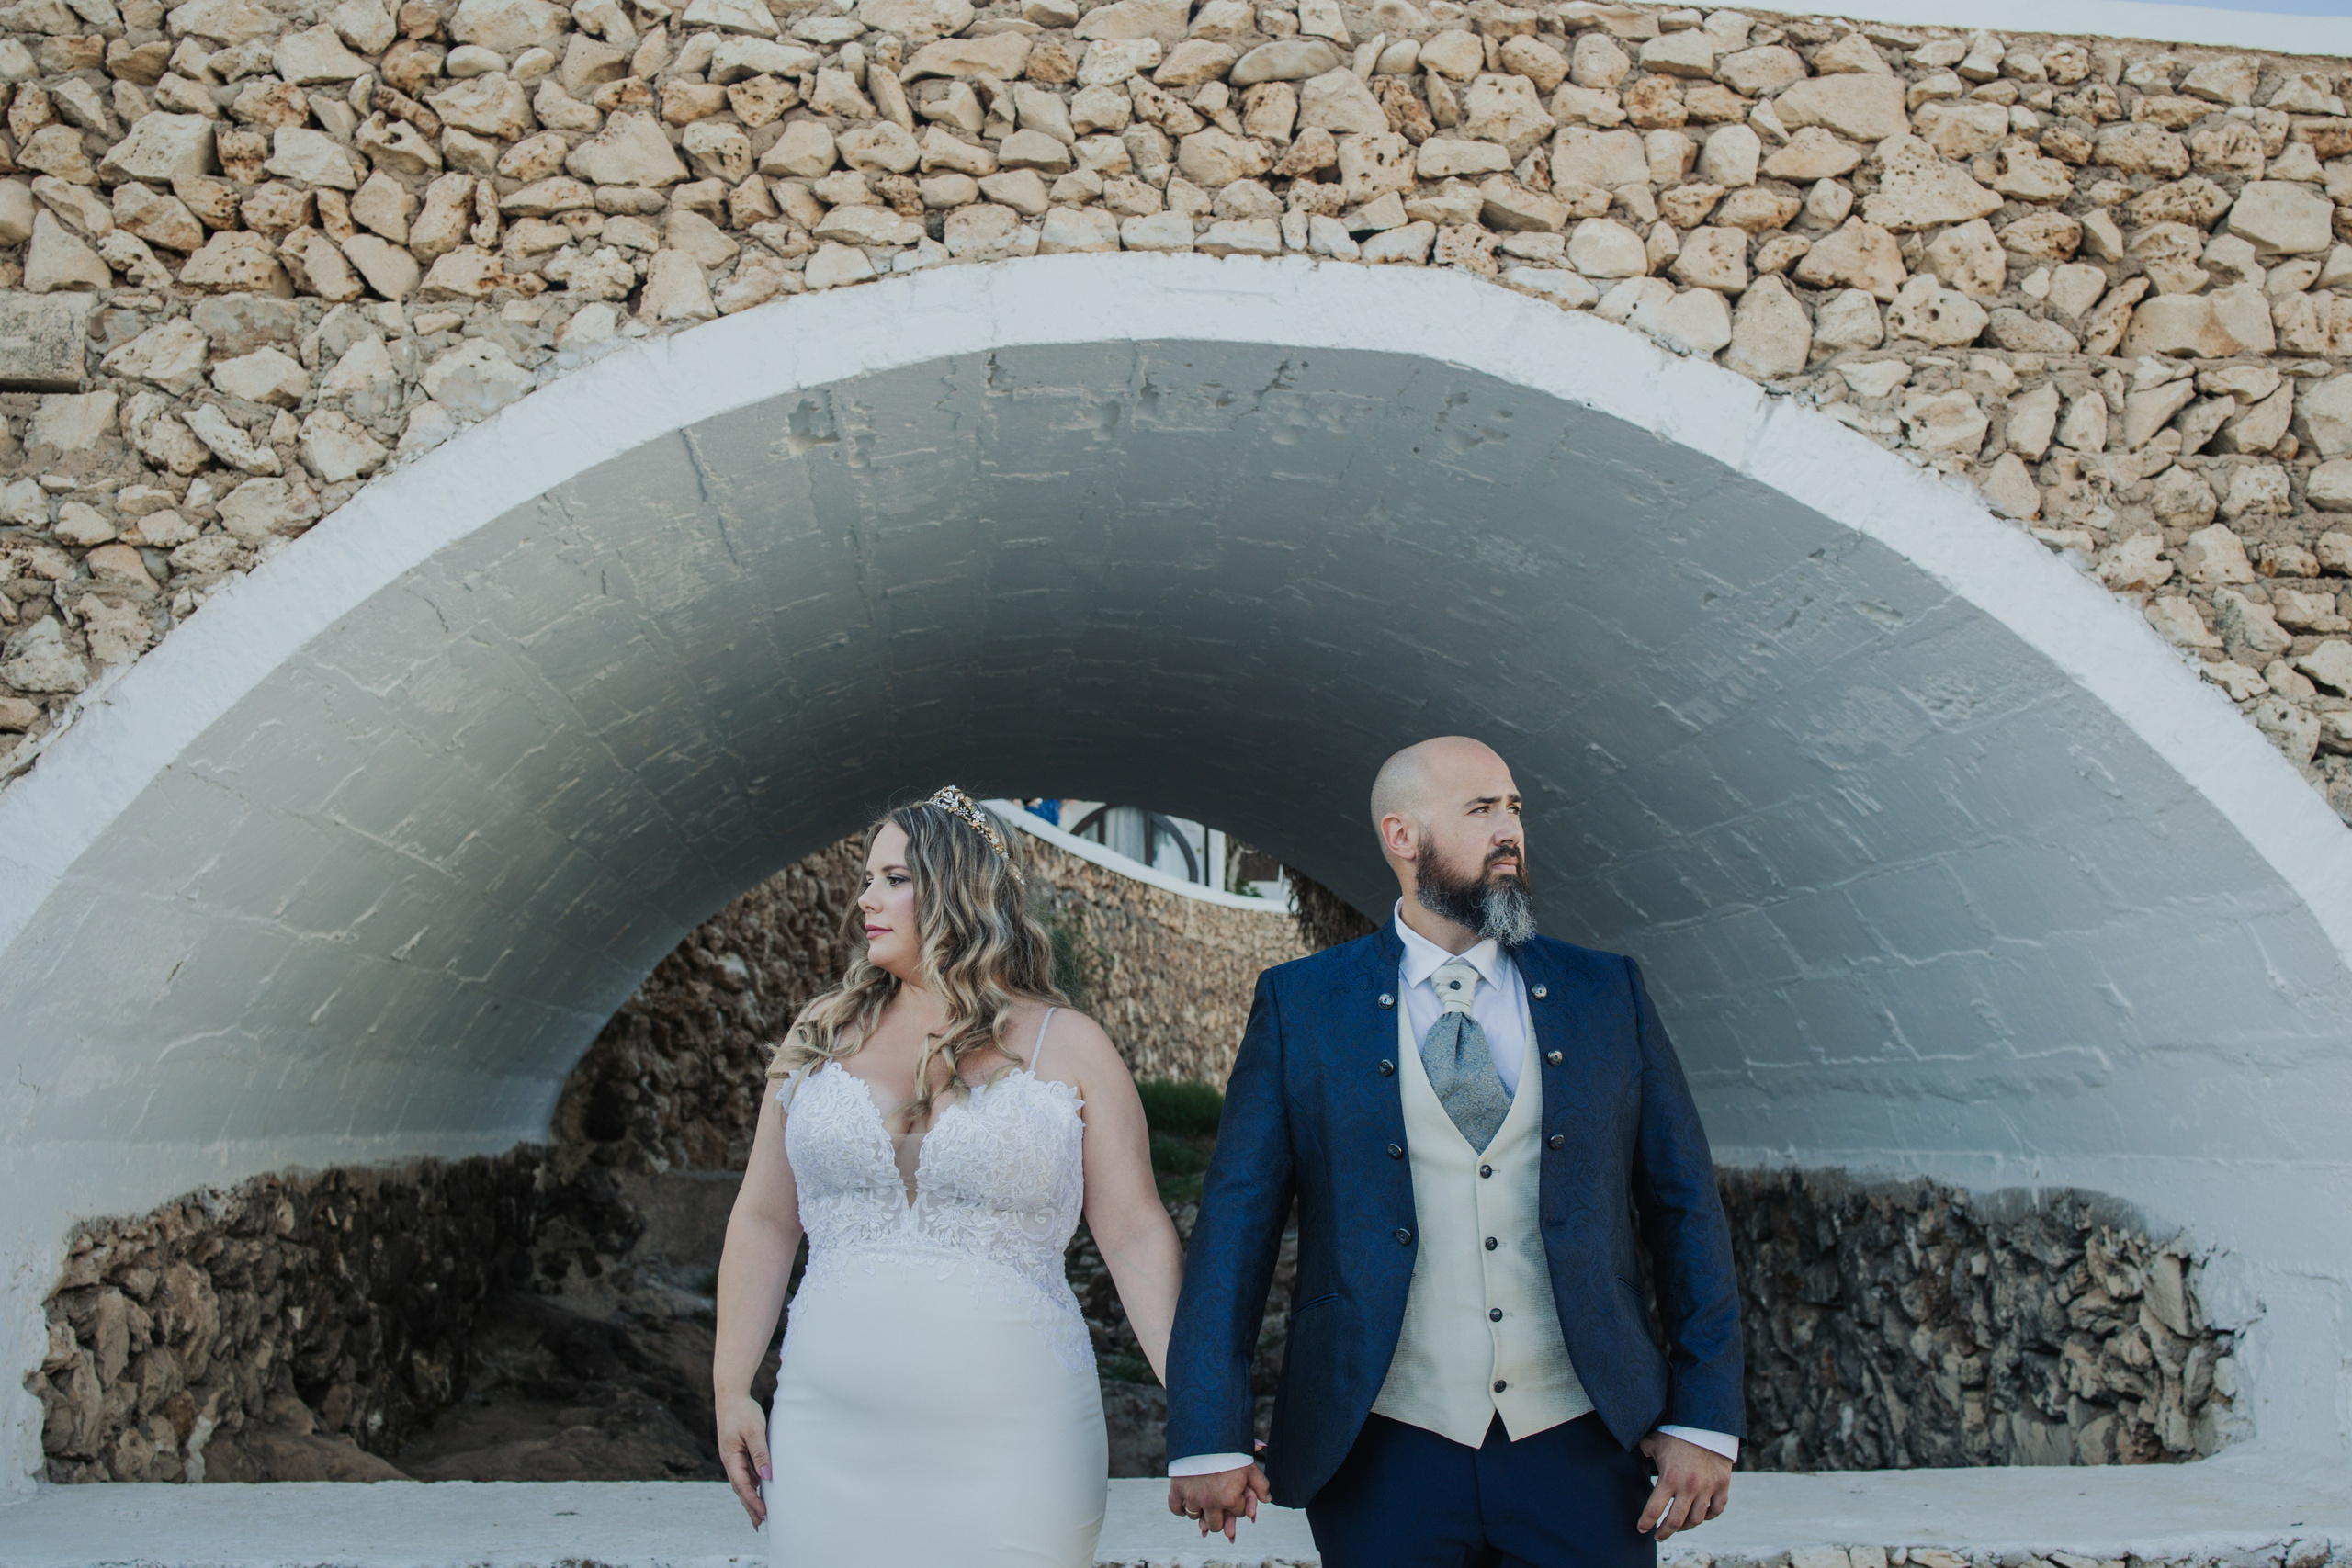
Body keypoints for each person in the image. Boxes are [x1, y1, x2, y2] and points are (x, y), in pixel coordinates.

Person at [1164, 737, 1745, 1566]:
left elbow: (1685, 1208)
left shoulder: (1606, 991)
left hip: (1586, 1441)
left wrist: (1703, 1415)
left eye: (1514, 808)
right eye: (1481, 810)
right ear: (1403, 837)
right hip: (1381, 1446)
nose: (1509, 828)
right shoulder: (1304, 1005)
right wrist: (1207, 1428)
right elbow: (1236, 1226)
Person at [712, 786, 1185, 1567]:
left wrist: (1201, 1406)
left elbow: (1135, 1234)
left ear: (960, 889)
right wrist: (732, 1385)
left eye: (894, 877)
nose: (866, 897)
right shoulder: (819, 1032)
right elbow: (764, 1218)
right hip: (826, 1434)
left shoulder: (1069, 1047)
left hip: (1018, 1439)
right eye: (868, 877)